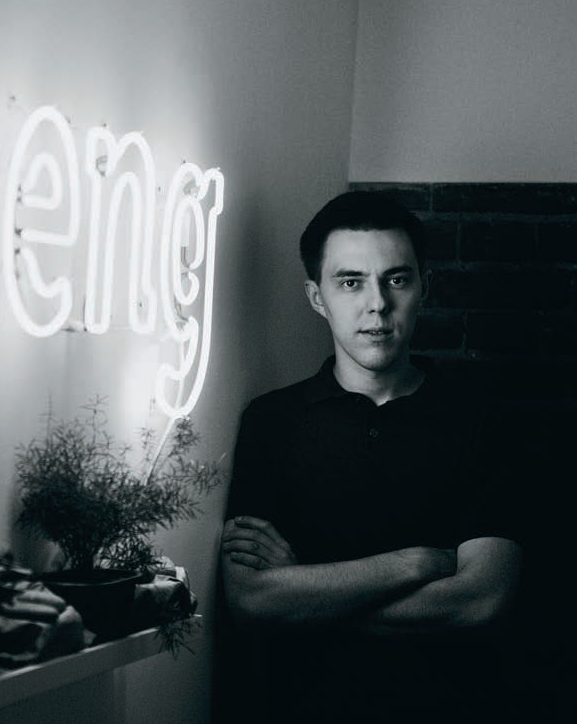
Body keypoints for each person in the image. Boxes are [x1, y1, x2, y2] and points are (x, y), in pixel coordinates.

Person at [216, 191, 523, 723]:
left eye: (396, 279)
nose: (377, 304)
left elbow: (479, 601)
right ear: (317, 298)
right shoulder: (271, 421)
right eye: (351, 282)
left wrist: (307, 590)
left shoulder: (481, 422)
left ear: (425, 287)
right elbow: (252, 602)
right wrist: (415, 563)